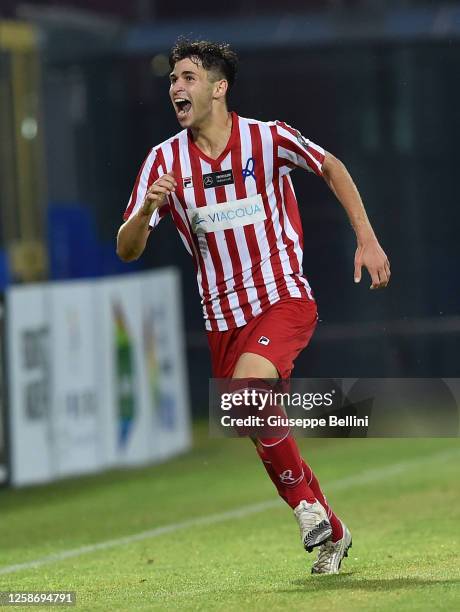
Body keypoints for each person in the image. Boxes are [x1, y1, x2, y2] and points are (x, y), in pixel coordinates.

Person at [117, 38, 390, 575]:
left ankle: (306, 509)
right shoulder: (162, 163)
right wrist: (147, 207)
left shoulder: (266, 139)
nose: (176, 86)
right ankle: (332, 530)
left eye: (188, 77)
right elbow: (127, 248)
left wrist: (368, 237)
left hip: (282, 299)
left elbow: (331, 167)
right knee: (253, 416)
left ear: (219, 88)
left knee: (246, 394)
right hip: (223, 321)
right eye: (173, 78)